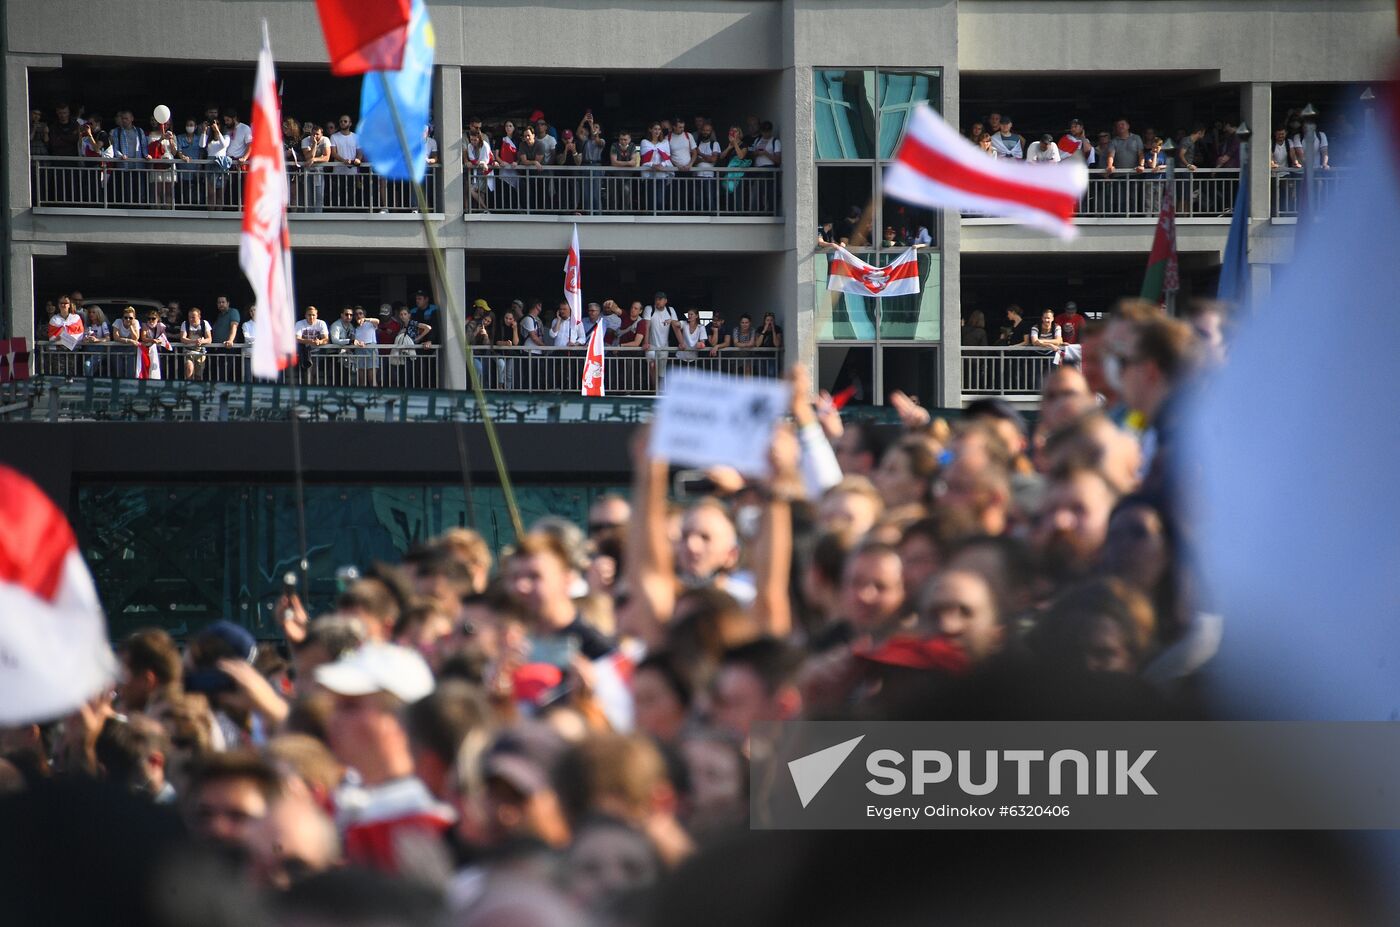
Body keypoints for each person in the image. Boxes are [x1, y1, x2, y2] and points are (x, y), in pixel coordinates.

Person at [315, 643, 456, 874]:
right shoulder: (340, 803)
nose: (333, 719)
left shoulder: (430, 817)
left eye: (350, 707)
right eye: (335, 706)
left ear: (400, 719)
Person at [294, 306, 329, 383]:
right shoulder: (299, 323)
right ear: (305, 315)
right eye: (309, 315)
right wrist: (310, 341)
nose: (311, 317)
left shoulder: (321, 323)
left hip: (317, 352)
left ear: (317, 315)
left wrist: (320, 342)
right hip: (304, 353)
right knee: (307, 373)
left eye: (313, 315)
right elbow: (297, 339)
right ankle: (307, 388)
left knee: (314, 373)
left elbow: (326, 339)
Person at [302, 123, 332, 212]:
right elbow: (308, 157)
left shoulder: (325, 140)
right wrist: (314, 144)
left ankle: (318, 215)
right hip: (308, 171)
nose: (315, 136)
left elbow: (326, 158)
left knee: (319, 195)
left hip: (319, 171)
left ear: (322, 134)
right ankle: (309, 215)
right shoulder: (305, 140)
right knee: (308, 195)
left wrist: (314, 159)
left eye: (317, 134)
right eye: (313, 134)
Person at [180, 306, 213, 381]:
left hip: (200, 352)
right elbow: (183, 338)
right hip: (188, 351)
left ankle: (196, 387)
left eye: (193, 317)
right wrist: (194, 341)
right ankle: (188, 386)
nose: (191, 319)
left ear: (199, 316)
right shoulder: (185, 324)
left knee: (198, 375)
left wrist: (201, 341)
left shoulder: (204, 323)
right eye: (189, 317)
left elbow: (209, 339)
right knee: (189, 367)